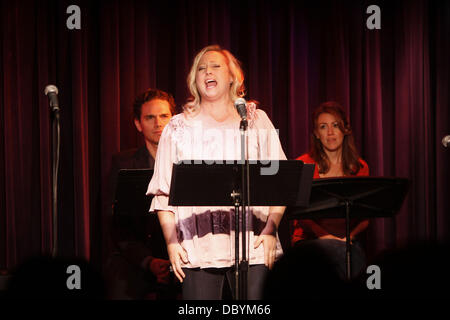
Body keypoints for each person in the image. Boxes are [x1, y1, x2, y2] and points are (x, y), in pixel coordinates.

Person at [146, 45, 287, 300]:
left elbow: (279, 182)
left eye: (215, 66)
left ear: (233, 76)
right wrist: (171, 242)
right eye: (200, 68)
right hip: (198, 250)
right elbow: (163, 193)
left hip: (254, 246)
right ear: (194, 79)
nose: (207, 72)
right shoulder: (178, 128)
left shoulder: (256, 121)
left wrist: (271, 229)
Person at [104, 88, 179, 299]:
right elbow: (116, 224)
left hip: (182, 255)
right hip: (137, 257)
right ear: (138, 124)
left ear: (174, 120)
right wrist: (148, 261)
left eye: (164, 116)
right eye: (150, 117)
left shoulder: (190, 161)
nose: (158, 123)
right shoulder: (123, 163)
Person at [291, 101, 369, 279]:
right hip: (310, 240)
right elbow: (300, 216)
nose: (331, 133)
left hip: (347, 241)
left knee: (352, 257)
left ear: (345, 129)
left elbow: (366, 217)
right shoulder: (304, 165)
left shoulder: (360, 167)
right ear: (317, 134)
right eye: (323, 127)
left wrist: (347, 238)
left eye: (335, 125)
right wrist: (327, 237)